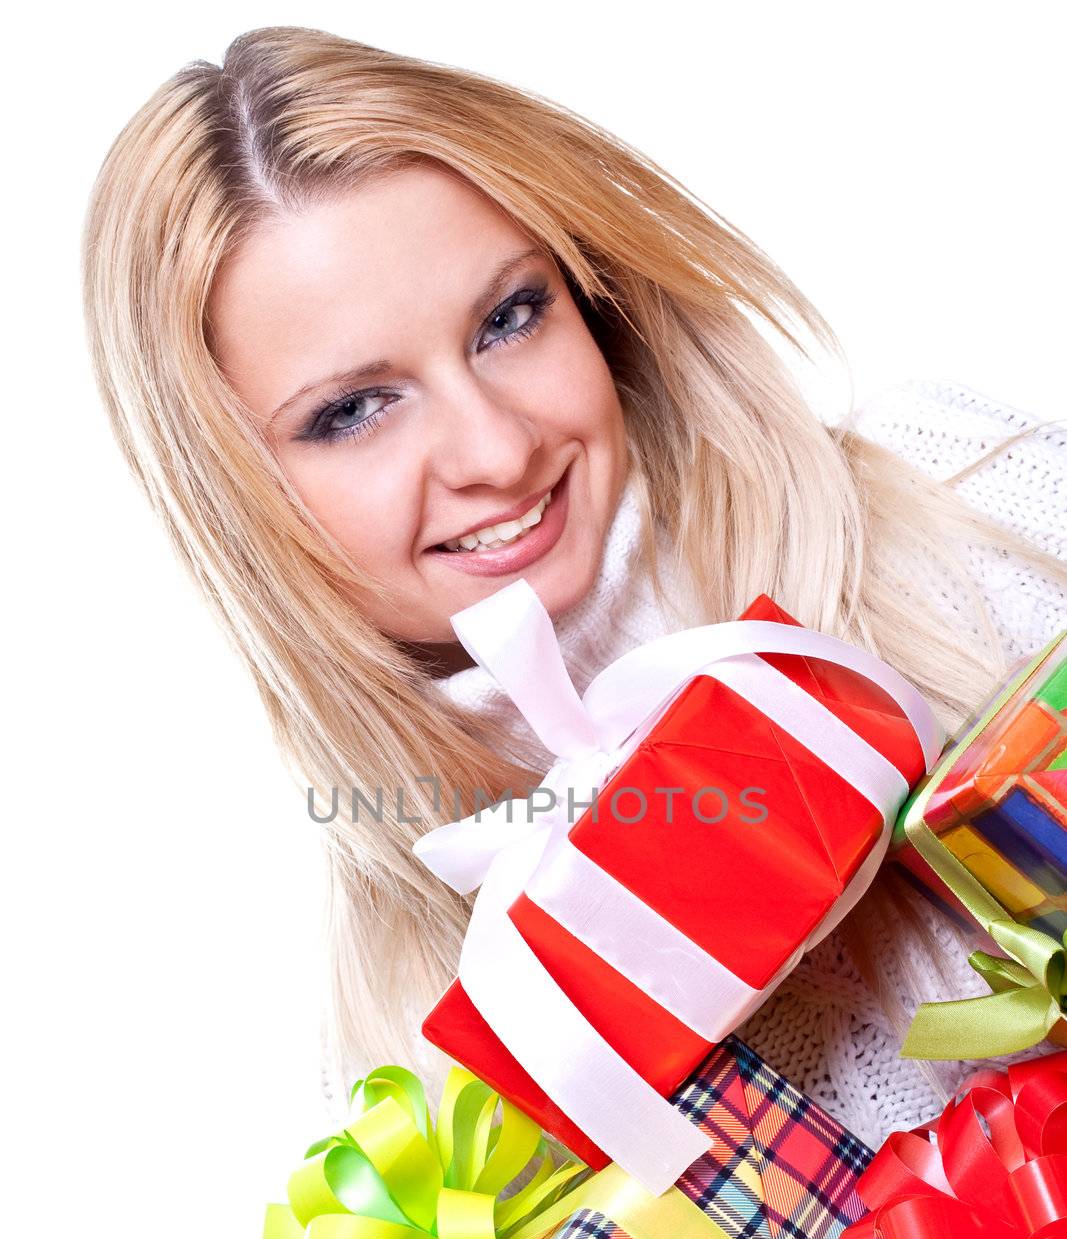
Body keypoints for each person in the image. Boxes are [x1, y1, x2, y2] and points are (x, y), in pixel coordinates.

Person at [81, 24, 1066, 1148]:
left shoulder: (966, 505)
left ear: (587, 297)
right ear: (237, 503)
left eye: (507, 319)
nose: (494, 450)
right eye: (352, 411)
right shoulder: (405, 1034)